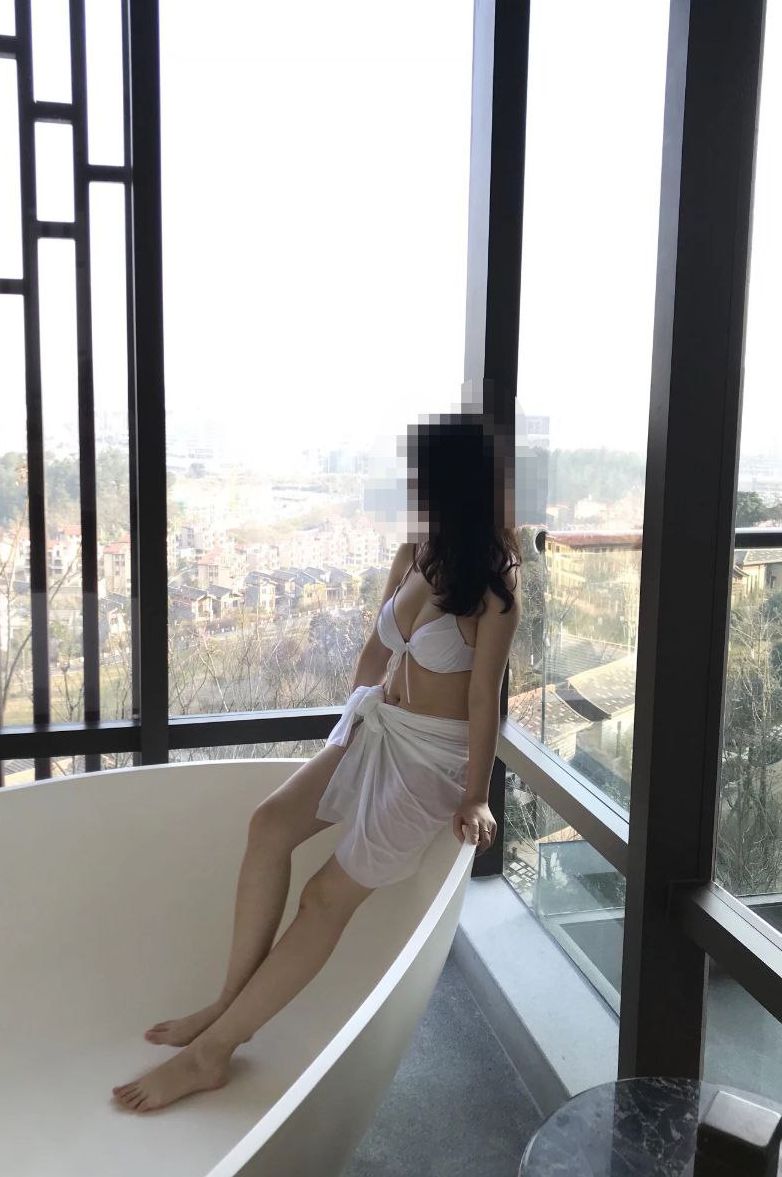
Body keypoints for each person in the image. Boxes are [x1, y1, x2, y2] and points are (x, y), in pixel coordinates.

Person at [112, 412, 522, 1112]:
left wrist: (477, 795)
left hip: (432, 761)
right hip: (377, 726)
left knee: (324, 899)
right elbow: (375, 651)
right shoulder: (415, 552)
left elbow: (484, 697)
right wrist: (348, 730)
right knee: (270, 824)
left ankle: (213, 1054)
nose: (411, 487)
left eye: (422, 475)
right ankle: (227, 1001)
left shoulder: (494, 584)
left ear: (455, 483)